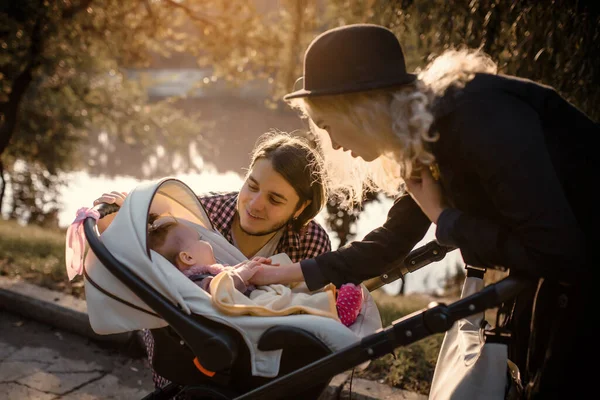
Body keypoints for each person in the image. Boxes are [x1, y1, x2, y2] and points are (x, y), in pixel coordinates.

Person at [248, 24, 594, 399]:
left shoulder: (478, 116)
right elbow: (390, 242)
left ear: (360, 108)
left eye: (330, 126)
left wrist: (445, 220)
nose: (333, 143)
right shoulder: (427, 133)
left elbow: (560, 254)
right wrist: (287, 274)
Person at [92, 131, 348, 391]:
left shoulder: (310, 240)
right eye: (252, 185)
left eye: (275, 199)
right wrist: (117, 220)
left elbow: (302, 302)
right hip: (186, 346)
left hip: (259, 360)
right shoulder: (199, 217)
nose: (255, 205)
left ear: (300, 207)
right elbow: (144, 260)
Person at [147, 213, 363, 324]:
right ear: (187, 257)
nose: (206, 242)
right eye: (199, 239)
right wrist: (242, 273)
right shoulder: (194, 280)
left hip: (249, 297)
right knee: (285, 303)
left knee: (280, 277)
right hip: (246, 311)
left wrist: (246, 266)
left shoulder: (207, 271)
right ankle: (334, 312)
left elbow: (227, 276)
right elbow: (219, 292)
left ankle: (326, 296)